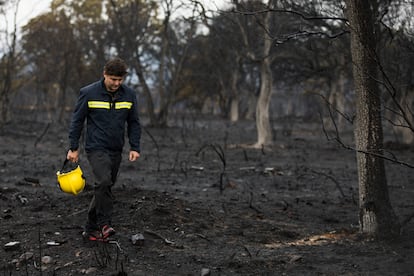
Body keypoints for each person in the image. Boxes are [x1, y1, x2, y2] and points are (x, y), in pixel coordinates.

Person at [66, 57, 141, 241]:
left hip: (116, 148)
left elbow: (134, 122)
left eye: (120, 80)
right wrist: (73, 147)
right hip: (95, 147)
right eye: (113, 79)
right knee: (104, 182)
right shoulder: (88, 93)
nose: (116, 83)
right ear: (104, 75)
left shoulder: (129, 95)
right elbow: (77, 121)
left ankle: (90, 229)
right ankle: (104, 223)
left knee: (104, 187)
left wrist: (135, 146)